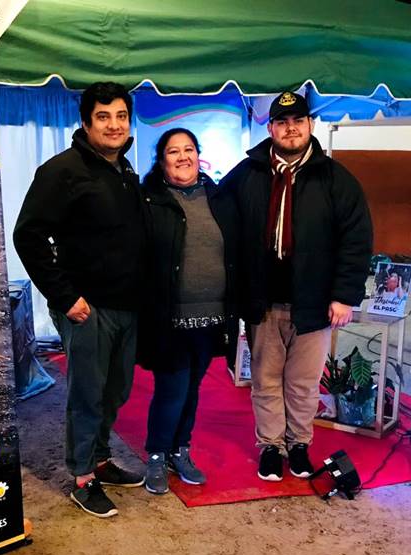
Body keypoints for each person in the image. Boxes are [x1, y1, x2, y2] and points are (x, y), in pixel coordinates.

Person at [221, 91, 373, 481]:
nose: (291, 129)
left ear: (310, 125)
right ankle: (271, 447)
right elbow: (218, 217)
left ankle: (299, 445)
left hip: (315, 302)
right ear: (270, 128)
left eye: (298, 121)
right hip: (262, 300)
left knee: (303, 383)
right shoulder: (247, 174)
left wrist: (344, 296)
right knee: (265, 380)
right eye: (282, 122)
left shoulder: (336, 179)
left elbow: (356, 240)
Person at [14, 81, 145, 518]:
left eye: (121, 116)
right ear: (86, 123)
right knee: (88, 395)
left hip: (126, 304)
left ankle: (101, 459)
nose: (114, 125)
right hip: (87, 309)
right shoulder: (62, 171)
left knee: (116, 391)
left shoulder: (124, 170)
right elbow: (28, 236)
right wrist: (65, 297)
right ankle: (83, 477)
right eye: (103, 117)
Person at [138, 128, 238, 495]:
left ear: (199, 154)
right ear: (161, 160)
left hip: (212, 317)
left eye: (189, 149)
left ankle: (180, 450)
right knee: (172, 388)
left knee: (192, 388)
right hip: (170, 317)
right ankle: (156, 455)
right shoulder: (150, 201)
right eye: (173, 151)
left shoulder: (218, 196)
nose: (183, 157)